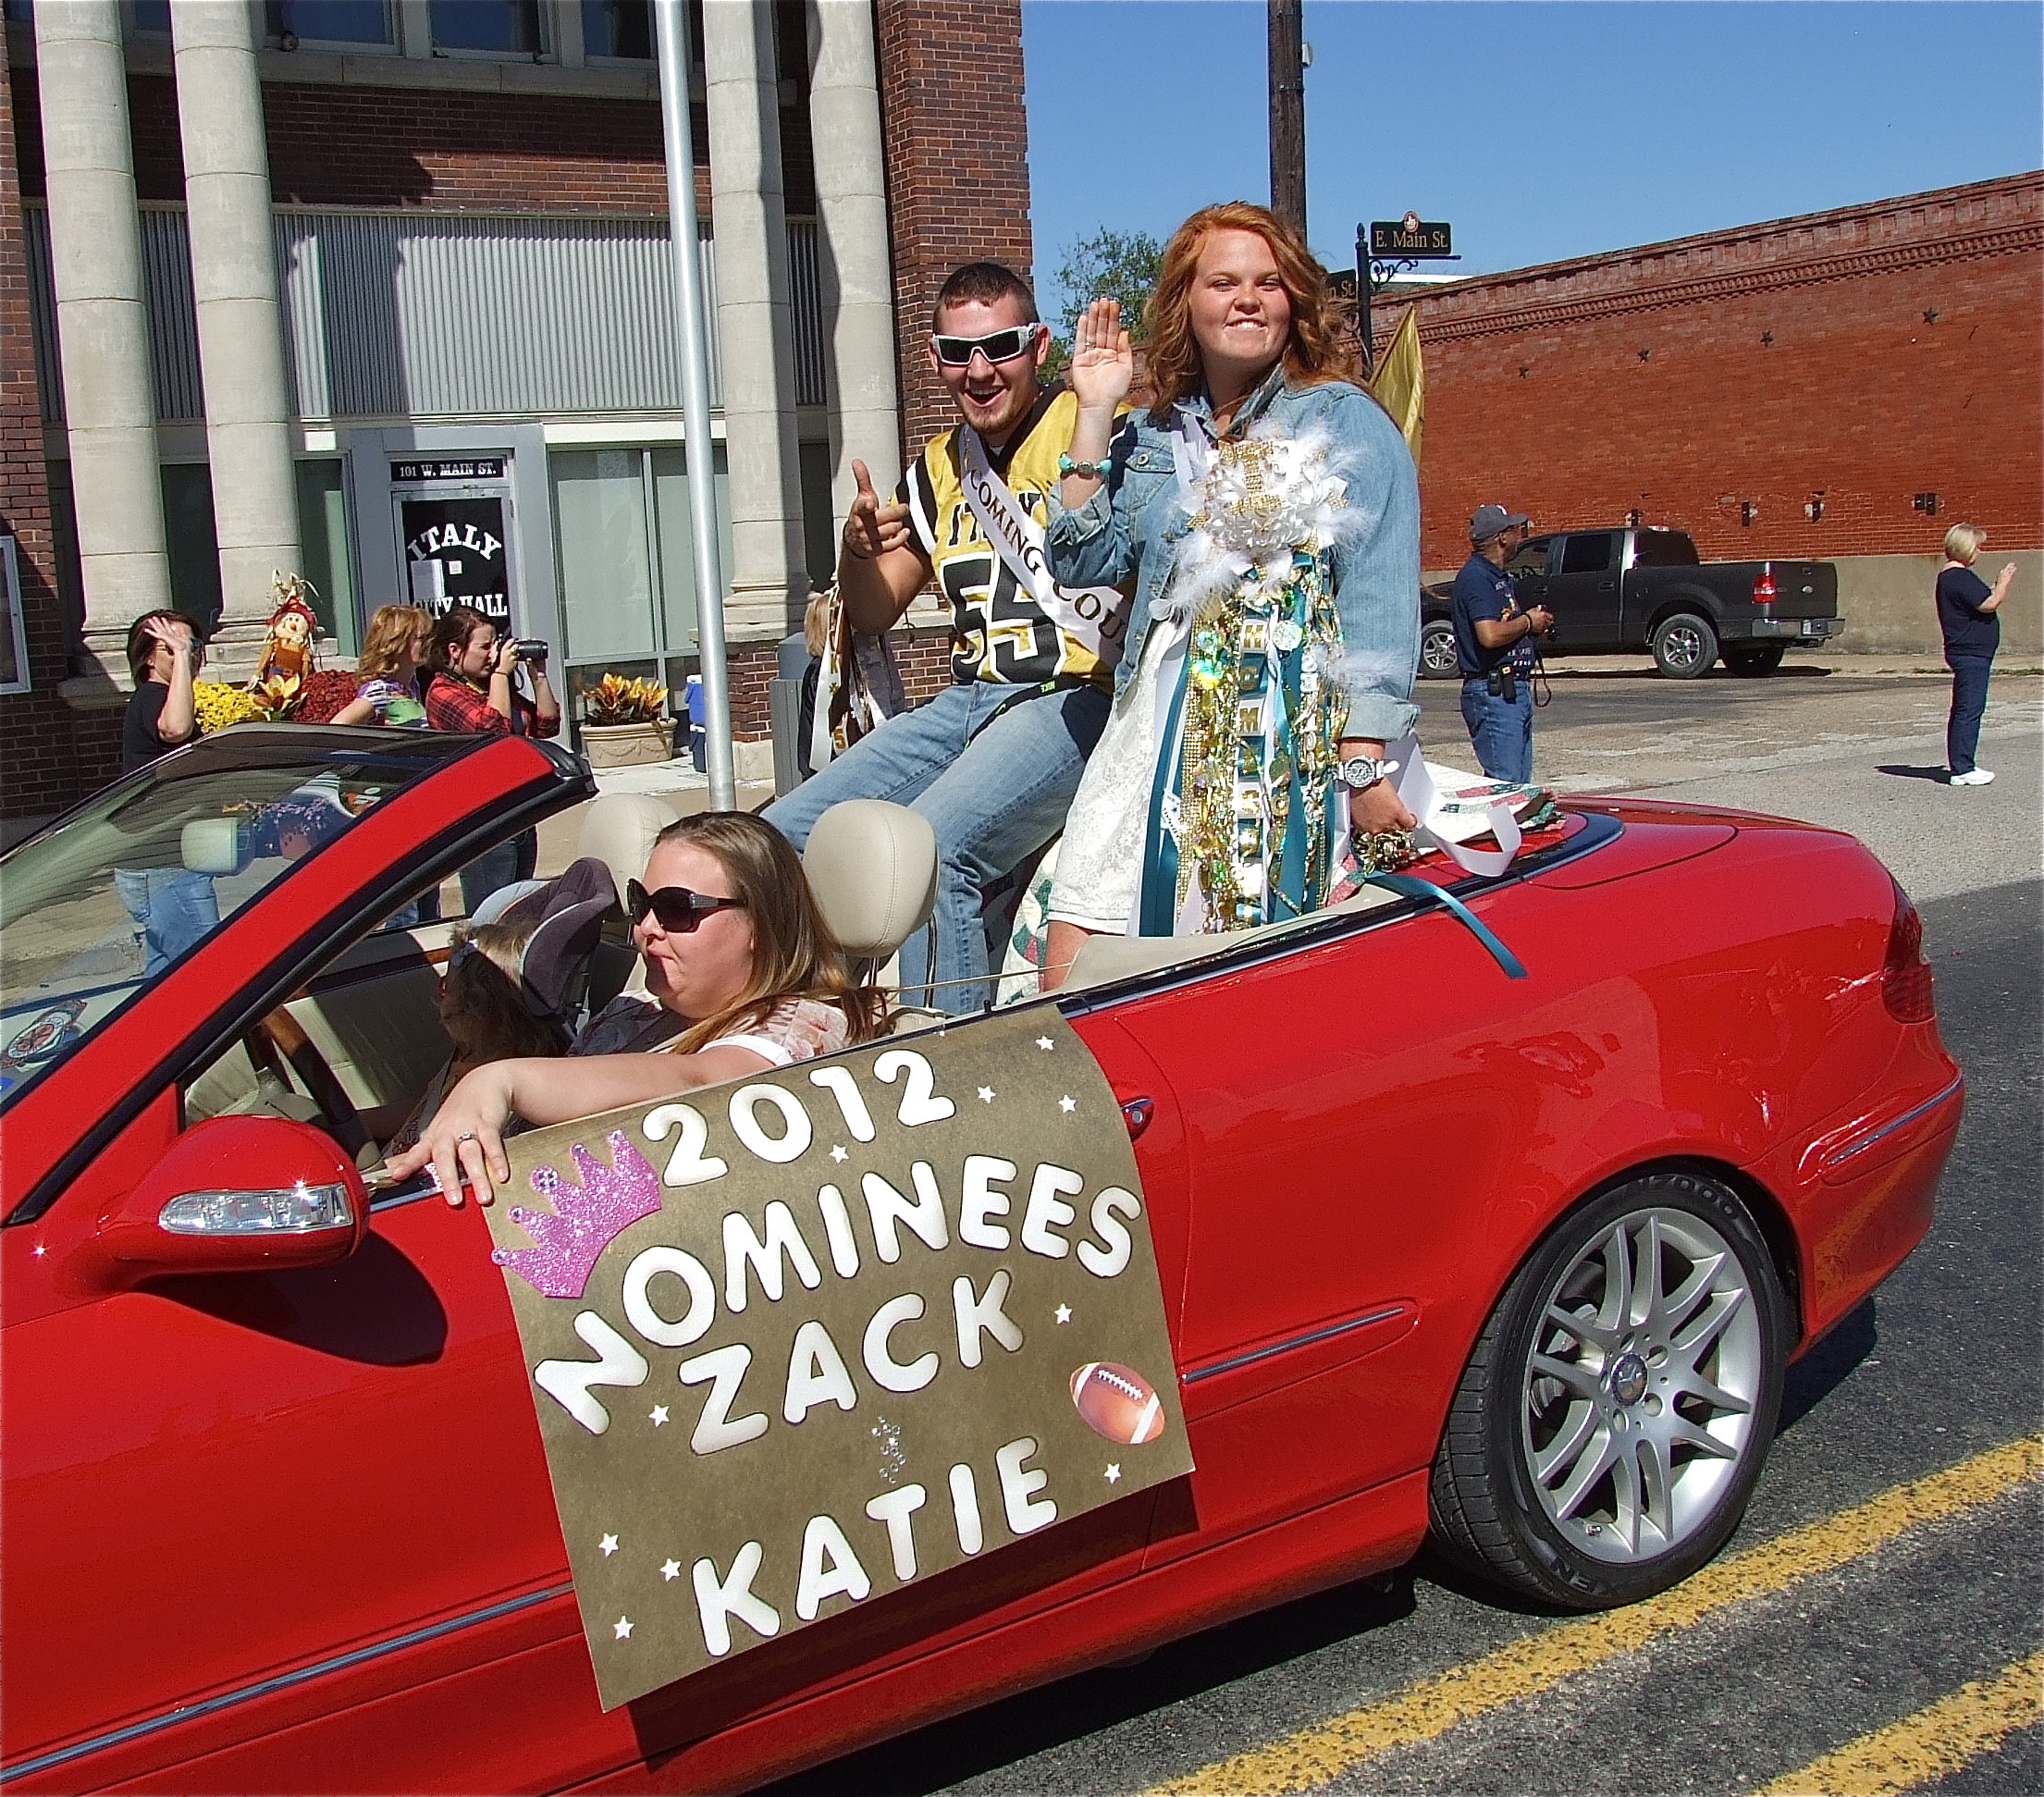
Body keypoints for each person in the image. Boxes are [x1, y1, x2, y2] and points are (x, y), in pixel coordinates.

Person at [1040, 201, 1421, 979]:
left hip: (1275, 741)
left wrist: (1363, 765)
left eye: (1268, 283)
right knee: (1073, 964)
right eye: (1223, 282)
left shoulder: (1345, 420)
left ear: (1295, 301)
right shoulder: (1152, 434)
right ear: (1187, 301)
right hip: (1150, 727)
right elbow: (1079, 560)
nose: (1247, 298)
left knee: (1238, 969)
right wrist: (1095, 410)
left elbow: (1378, 598)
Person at [761, 261, 1127, 1015]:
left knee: (932, 846)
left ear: (1039, 346)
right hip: (970, 701)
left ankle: (946, 1050)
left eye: (1001, 346)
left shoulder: (1097, 427)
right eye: (959, 352)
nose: (980, 370)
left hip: (1075, 697)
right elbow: (874, 609)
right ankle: (812, 1025)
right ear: (934, 358)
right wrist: (856, 551)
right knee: (780, 836)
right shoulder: (936, 469)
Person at [388, 811, 887, 1206]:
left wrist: (500, 1080)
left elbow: (706, 1081)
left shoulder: (801, 1025)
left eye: (676, 908)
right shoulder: (640, 1006)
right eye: (641, 902)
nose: (646, 927)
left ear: (761, 924)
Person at [375, 915, 566, 1158]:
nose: (438, 995)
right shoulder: (466, 1056)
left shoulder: (494, 1087)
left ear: (476, 1009)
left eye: (446, 987)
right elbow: (421, 1114)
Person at [424, 604, 560, 913]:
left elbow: (547, 725)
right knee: (489, 915)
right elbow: (493, 732)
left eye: (495, 645)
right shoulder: (443, 692)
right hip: (483, 822)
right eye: (484, 647)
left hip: (518, 814)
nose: (493, 654)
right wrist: (500, 674)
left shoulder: (490, 688)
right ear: (455, 650)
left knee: (517, 913)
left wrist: (538, 677)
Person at [115, 610, 220, 972]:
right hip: (160, 863)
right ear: (148, 657)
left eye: (192, 644)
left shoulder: (166, 696)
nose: (186, 653)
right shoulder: (151, 696)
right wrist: (182, 660)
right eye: (171, 647)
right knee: (207, 972)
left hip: (168, 861)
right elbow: (175, 729)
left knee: (166, 975)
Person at [1451, 504, 1553, 783]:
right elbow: (1490, 635)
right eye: (1514, 529)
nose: (1518, 535)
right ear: (1502, 537)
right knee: (1504, 786)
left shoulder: (1496, 576)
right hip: (1494, 693)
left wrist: (1533, 627)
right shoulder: (1476, 577)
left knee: (1518, 786)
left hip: (1511, 691)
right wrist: (1528, 622)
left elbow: (1502, 626)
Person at [1936, 523, 2017, 787]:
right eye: (1978, 547)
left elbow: (1978, 600)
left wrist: (1994, 588)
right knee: (1969, 709)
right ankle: (1962, 768)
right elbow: (1989, 603)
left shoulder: (1953, 578)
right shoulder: (1958, 577)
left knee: (1967, 707)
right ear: (1965, 548)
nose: (1980, 552)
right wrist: (2004, 583)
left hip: (1970, 652)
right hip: (1970, 653)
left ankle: (1963, 764)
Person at [330, 605, 433, 728]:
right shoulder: (381, 690)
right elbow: (337, 726)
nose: (429, 643)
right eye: (421, 638)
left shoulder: (411, 685)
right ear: (396, 643)